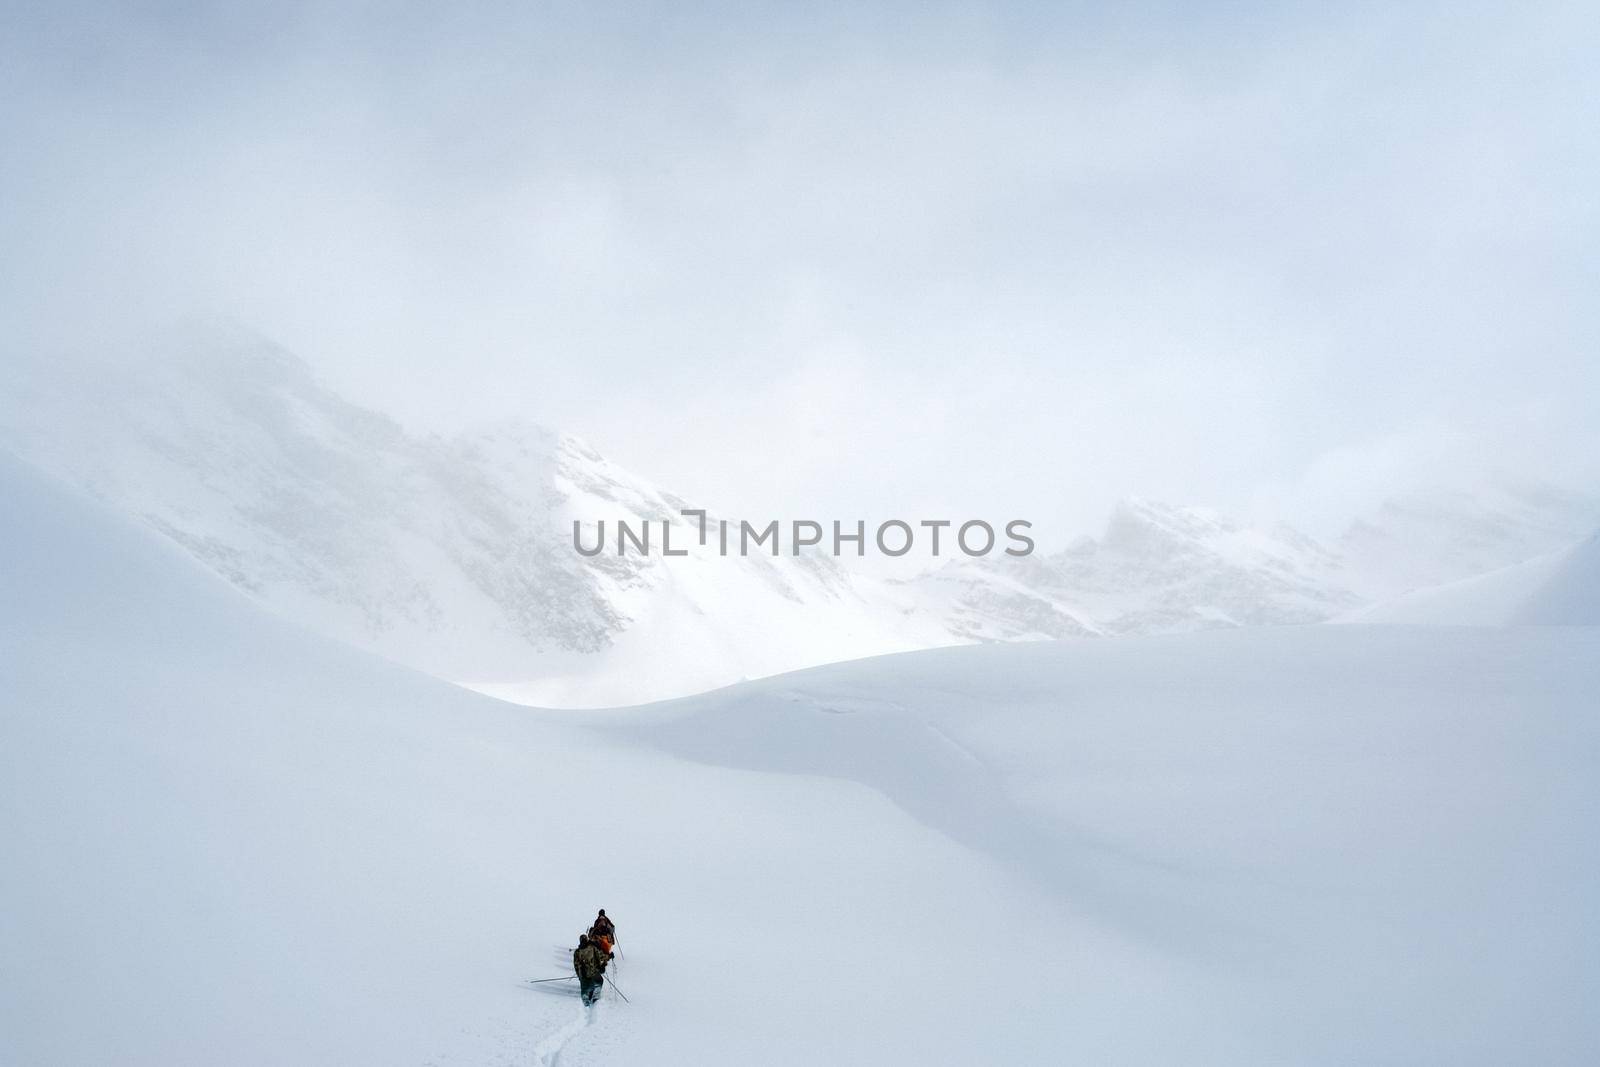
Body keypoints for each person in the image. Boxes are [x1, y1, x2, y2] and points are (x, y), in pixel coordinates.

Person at [572, 933, 608, 1006]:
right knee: (599, 981)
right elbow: (600, 957)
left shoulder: (577, 952)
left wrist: (579, 976)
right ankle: (596, 995)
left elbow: (576, 966)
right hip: (593, 972)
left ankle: (585, 999)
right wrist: (608, 957)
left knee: (584, 988)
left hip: (583, 974)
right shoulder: (592, 948)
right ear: (587, 940)